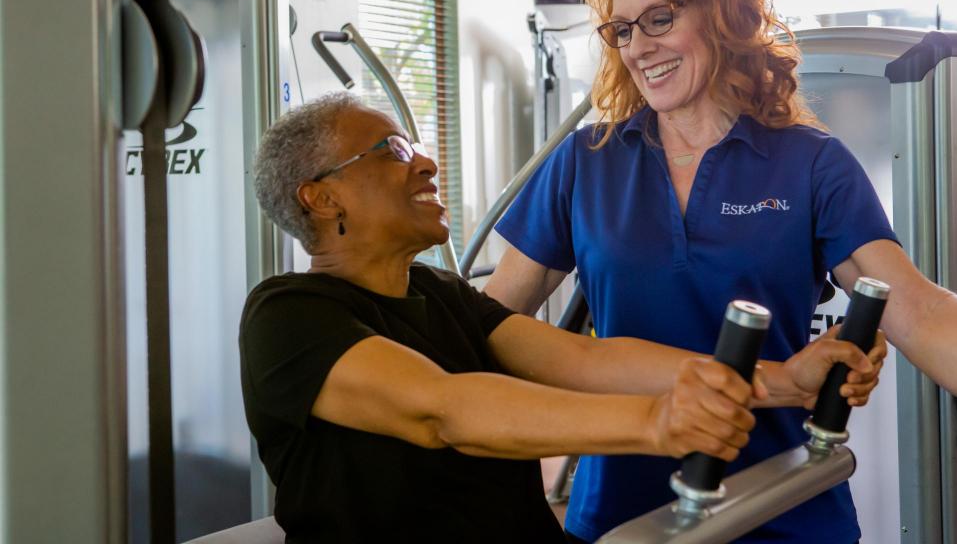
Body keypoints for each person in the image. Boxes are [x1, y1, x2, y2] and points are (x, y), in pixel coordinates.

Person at [483, 0, 947, 544]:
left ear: (722, 12)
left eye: (659, 18)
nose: (639, 46)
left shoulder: (809, 162)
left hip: (784, 503)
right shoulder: (586, 161)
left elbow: (917, 310)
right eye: (622, 29)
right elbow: (487, 325)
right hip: (623, 514)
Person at [239, 93, 881, 543]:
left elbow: (586, 360)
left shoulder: (441, 293)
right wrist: (659, 423)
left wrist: (785, 381)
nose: (426, 162)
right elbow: (444, 411)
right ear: (321, 197)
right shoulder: (289, 315)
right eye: (392, 150)